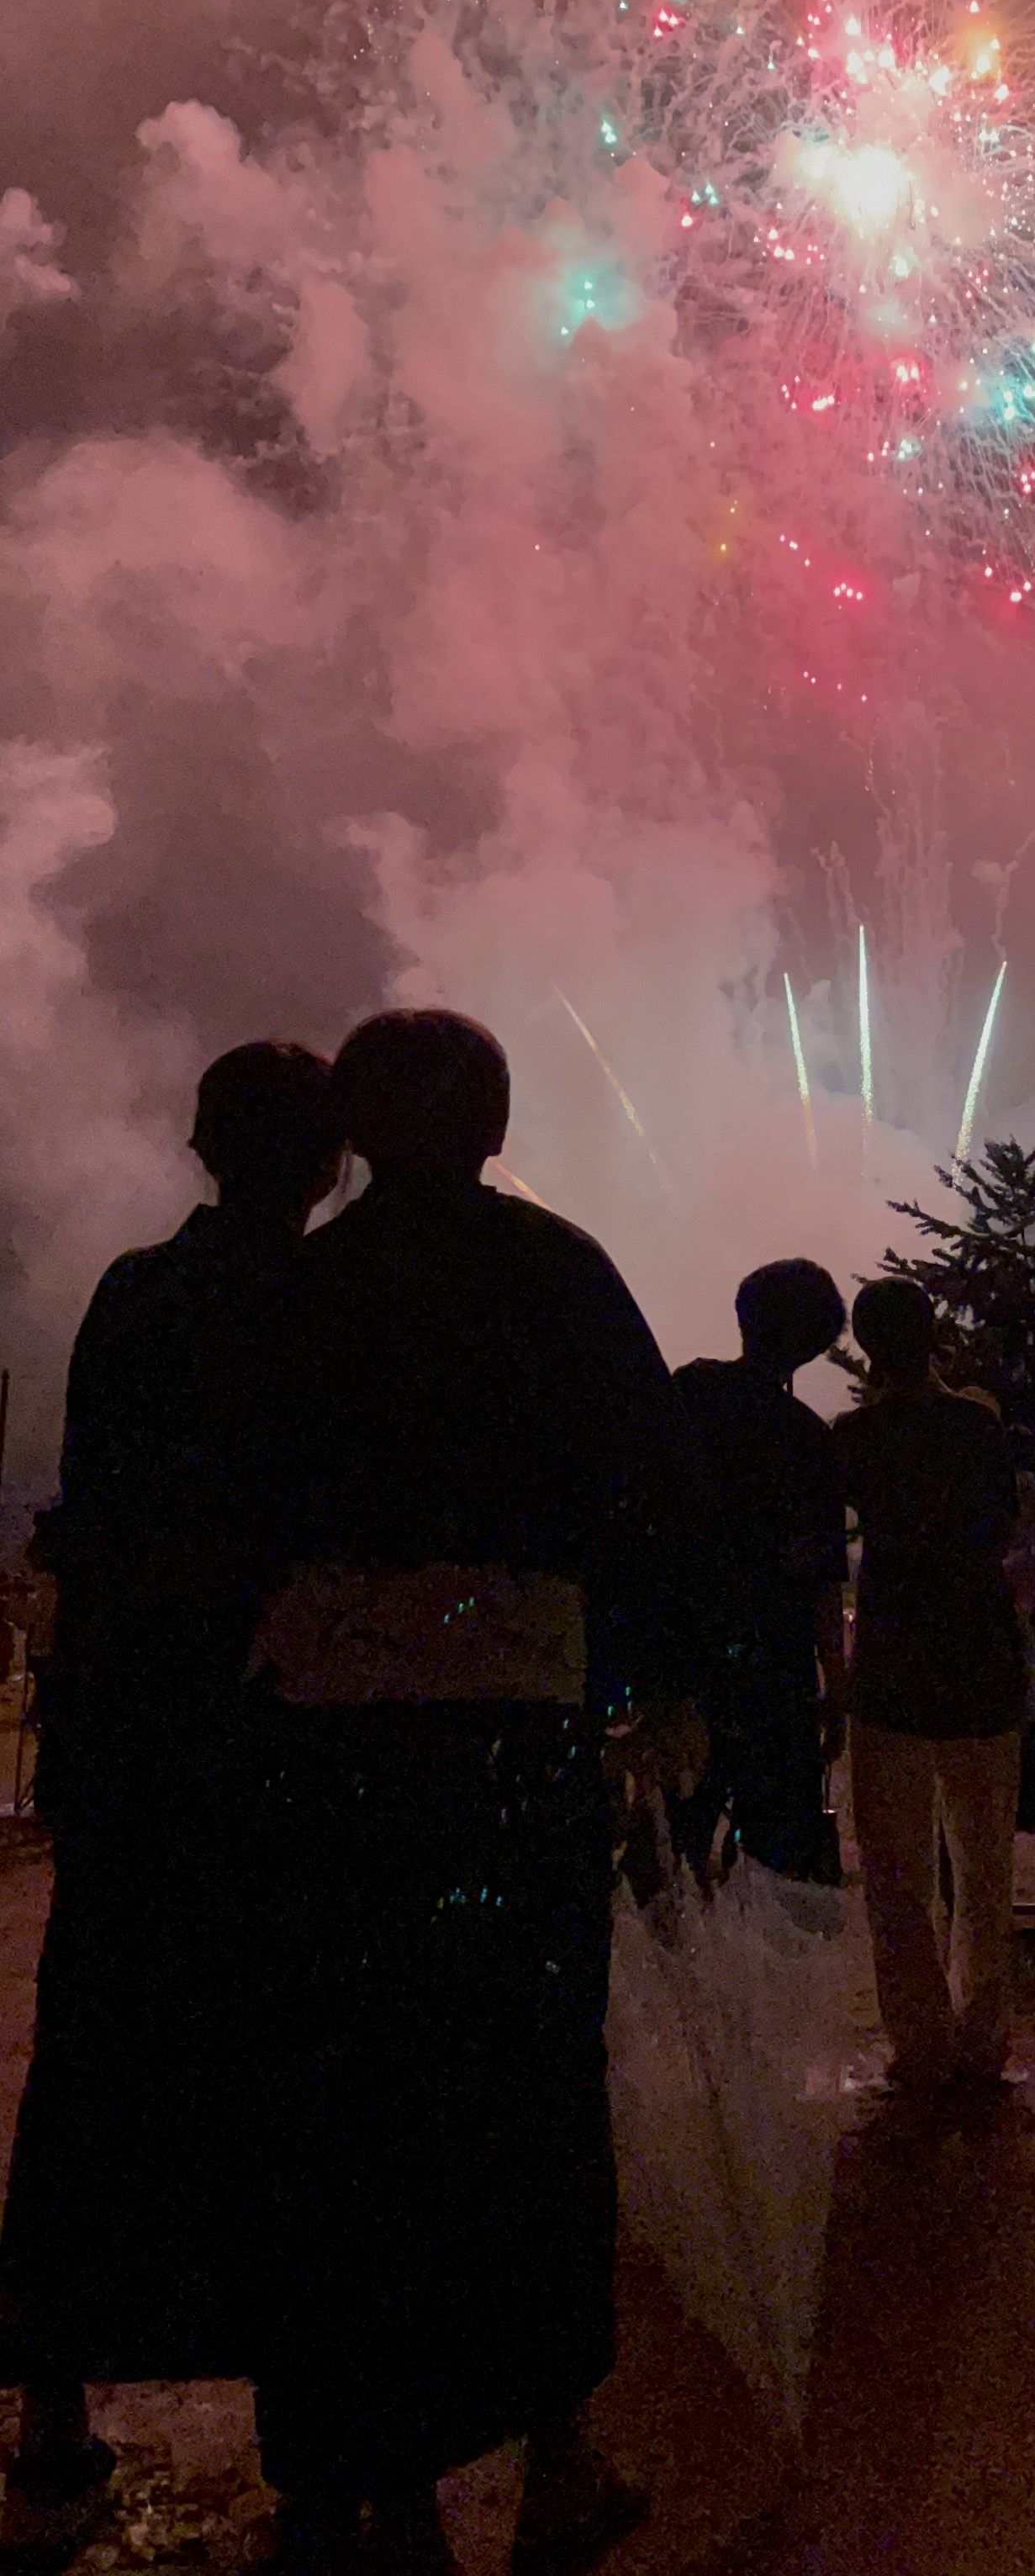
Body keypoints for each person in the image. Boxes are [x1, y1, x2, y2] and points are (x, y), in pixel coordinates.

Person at [246, 1010, 709, 2574]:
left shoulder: (294, 1290)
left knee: (342, 2097)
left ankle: (349, 2490)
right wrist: (645, 1687)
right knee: (520, 2095)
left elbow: (229, 1518)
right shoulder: (558, 1274)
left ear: (358, 1127)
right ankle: (555, 2459)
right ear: (497, 1125)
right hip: (515, 1736)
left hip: (327, 1756)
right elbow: (652, 1497)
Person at [0, 1044, 343, 2558]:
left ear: (202, 1146)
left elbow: (97, 1507)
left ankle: (54, 2410)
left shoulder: (134, 1293)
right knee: (304, 2079)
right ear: (328, 1162)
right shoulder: (337, 1308)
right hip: (281, 1748)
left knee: (95, 2059)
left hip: (137, 1744)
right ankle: (325, 2433)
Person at [835, 1280, 1022, 2098]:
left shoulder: (856, 1436)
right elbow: (1004, 1528)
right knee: (984, 1868)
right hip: (980, 1664)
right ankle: (984, 2037)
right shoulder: (979, 1426)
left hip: (892, 1669)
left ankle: (920, 2044)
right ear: (935, 1333)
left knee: (897, 1873)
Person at [673, 1258, 849, 1881]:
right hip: (774, 1663)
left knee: (679, 1841)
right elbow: (821, 1574)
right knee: (780, 1854)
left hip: (686, 1652)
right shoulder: (804, 1438)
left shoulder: (689, 1393)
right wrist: (837, 1682)